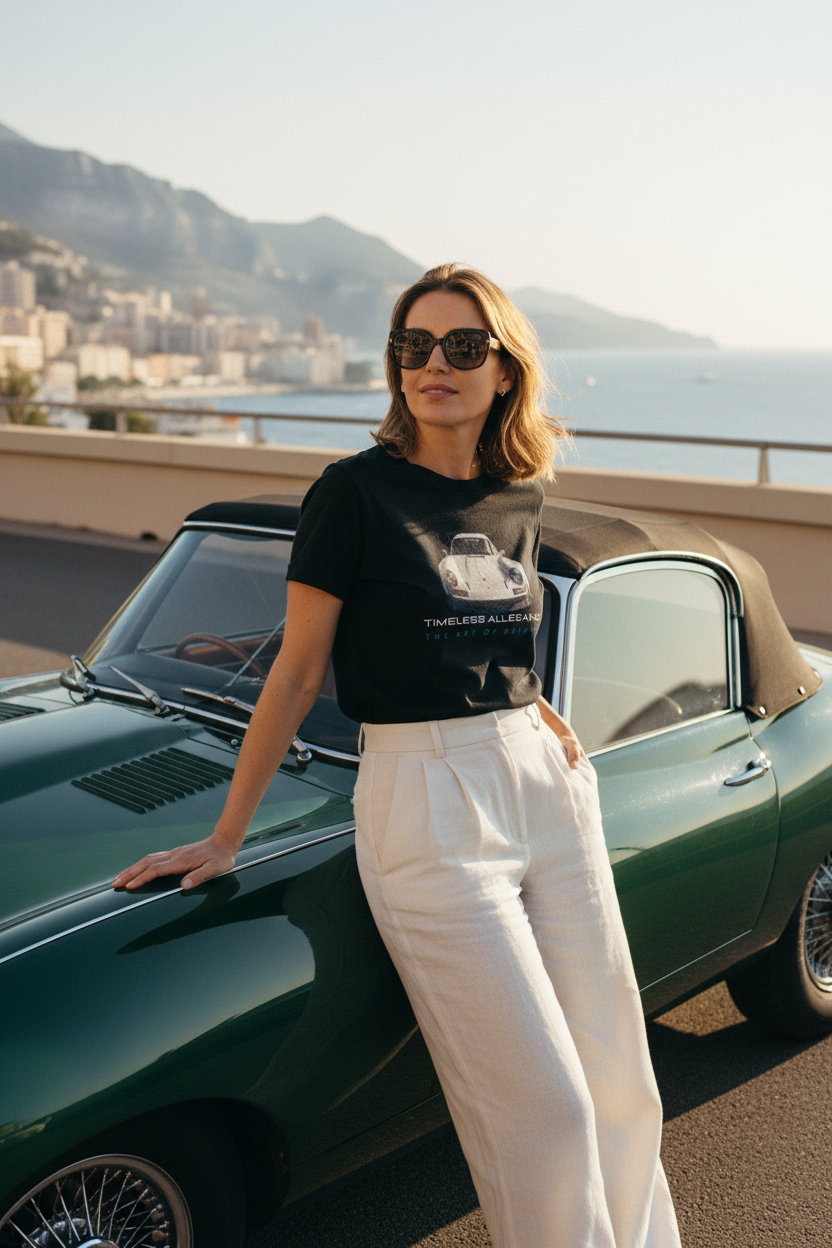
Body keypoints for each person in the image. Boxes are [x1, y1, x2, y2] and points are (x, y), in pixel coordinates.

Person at [114, 264, 682, 1248]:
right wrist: (224, 837)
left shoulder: (518, 493)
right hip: (426, 805)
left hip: (542, 787)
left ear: (504, 370)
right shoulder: (352, 495)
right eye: (413, 346)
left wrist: (535, 712)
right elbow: (295, 674)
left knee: (622, 1081)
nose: (433, 365)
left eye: (462, 347)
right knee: (547, 1115)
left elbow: (491, 636)